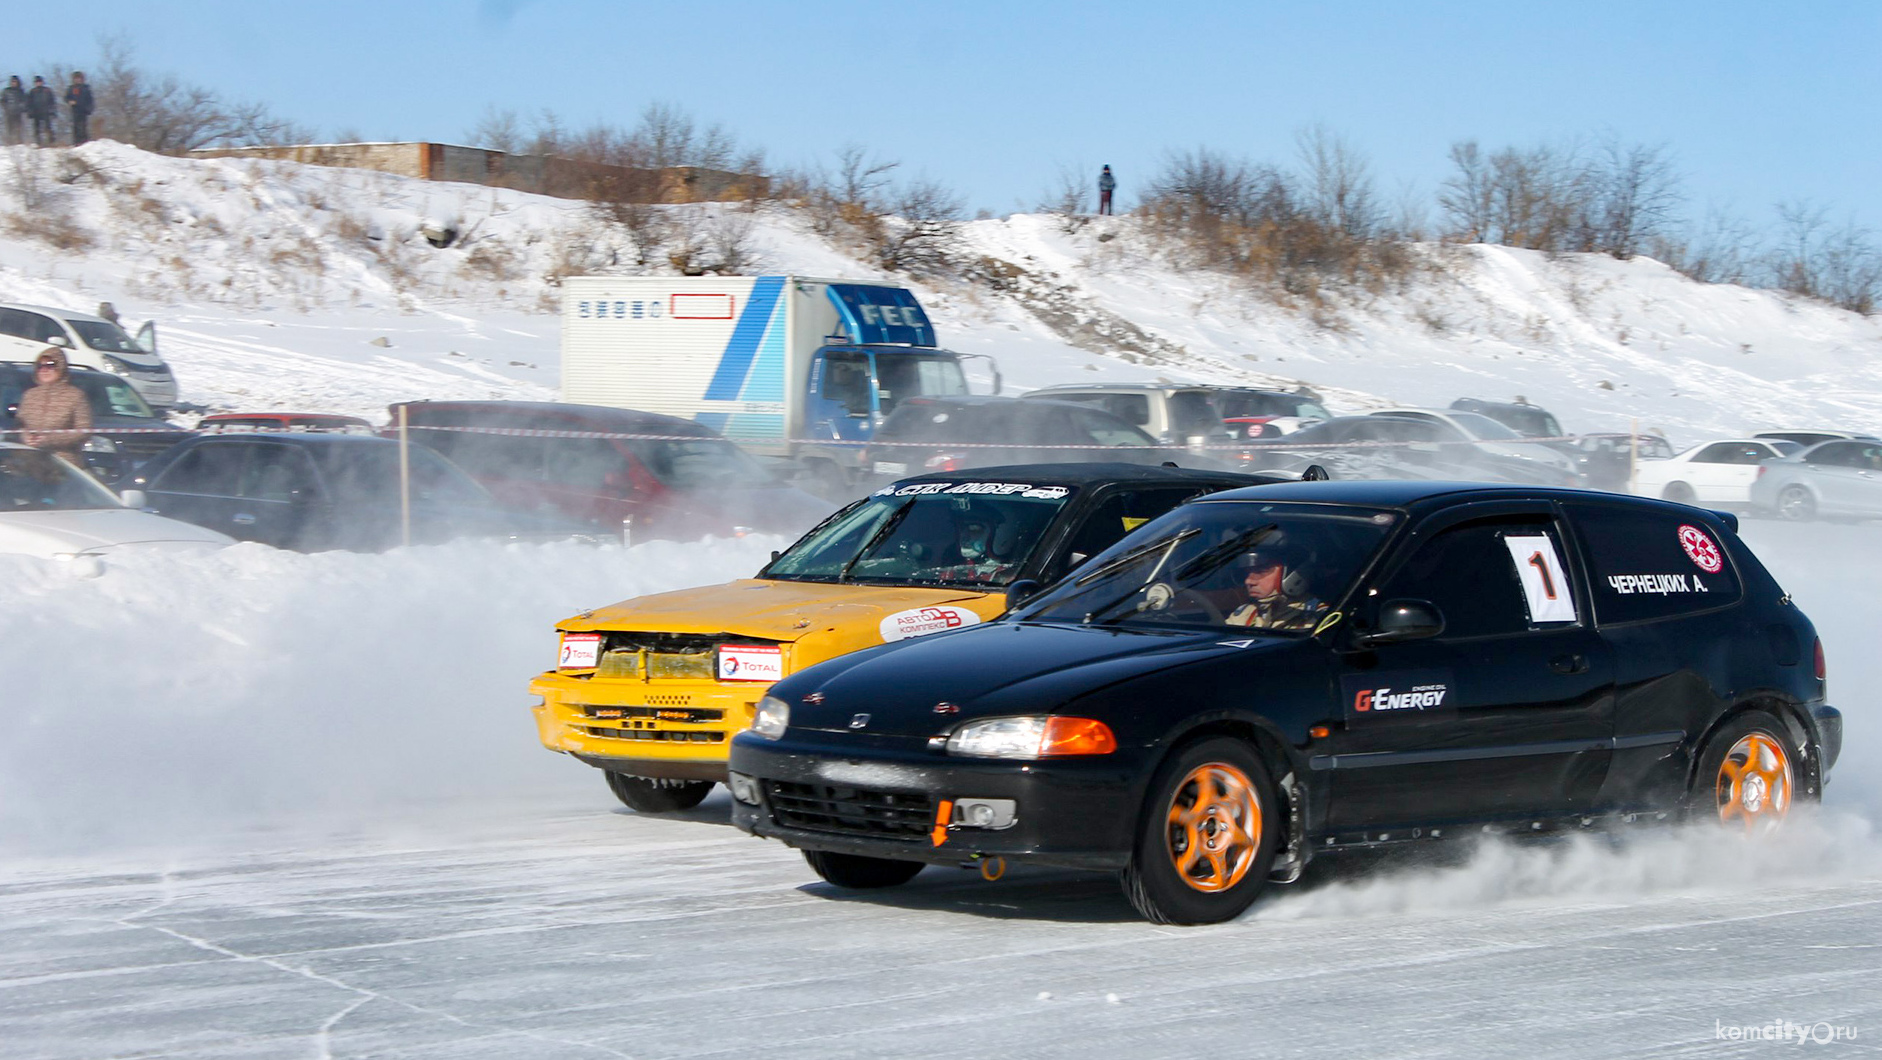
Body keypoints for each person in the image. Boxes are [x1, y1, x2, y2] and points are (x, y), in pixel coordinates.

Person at [16, 348, 93, 468]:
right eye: (40, 366)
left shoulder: (75, 395)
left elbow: (83, 431)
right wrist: (26, 437)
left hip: (63, 463)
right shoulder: (29, 395)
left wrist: (49, 440)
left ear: (61, 366)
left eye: (50, 365)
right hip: (31, 461)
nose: (44, 370)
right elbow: (20, 424)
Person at [1224, 545, 1326, 630]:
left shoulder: (1318, 616)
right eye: (1247, 573)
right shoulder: (1246, 612)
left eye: (1261, 571)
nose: (1248, 581)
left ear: (1291, 574)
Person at [25, 76, 56, 146]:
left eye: (40, 82)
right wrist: (30, 111)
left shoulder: (47, 90)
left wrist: (52, 110)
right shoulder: (32, 91)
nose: (38, 83)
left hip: (46, 111)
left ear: (42, 82)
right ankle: (38, 142)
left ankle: (51, 141)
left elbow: (52, 101)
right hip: (36, 112)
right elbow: (29, 103)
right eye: (37, 82)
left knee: (48, 127)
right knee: (37, 128)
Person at [65, 72, 93, 146]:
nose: (77, 80)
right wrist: (70, 101)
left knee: (83, 126)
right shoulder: (71, 88)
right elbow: (66, 97)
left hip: (84, 109)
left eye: (79, 78)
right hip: (75, 109)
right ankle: (76, 142)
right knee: (75, 126)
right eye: (76, 78)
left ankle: (84, 141)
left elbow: (90, 99)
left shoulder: (85, 88)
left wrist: (89, 108)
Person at [0, 76, 26, 146]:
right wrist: (6, 108)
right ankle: (10, 142)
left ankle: (19, 142)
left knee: (19, 128)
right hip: (9, 112)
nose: (14, 83)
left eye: (15, 82)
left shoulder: (20, 91)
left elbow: (24, 101)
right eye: (12, 81)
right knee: (10, 128)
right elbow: (3, 101)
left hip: (18, 112)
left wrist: (22, 108)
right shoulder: (6, 91)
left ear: (18, 82)